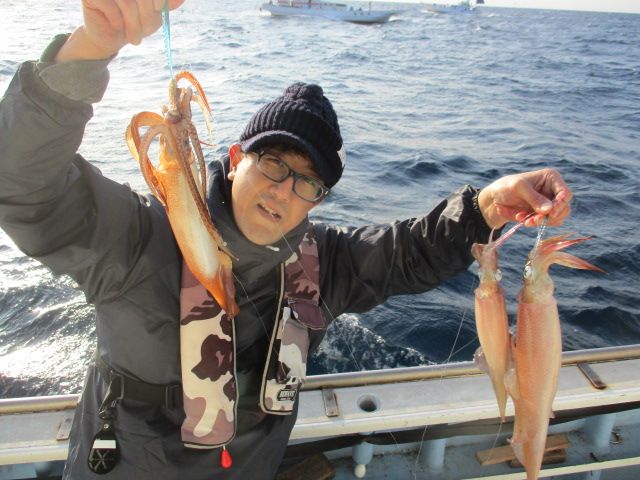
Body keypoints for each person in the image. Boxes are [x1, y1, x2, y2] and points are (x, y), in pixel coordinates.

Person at [0, 1, 572, 479]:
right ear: (235, 159)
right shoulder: (138, 237)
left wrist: (486, 207)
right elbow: (22, 185)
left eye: (308, 182)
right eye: (273, 162)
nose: (283, 190)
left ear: (318, 199)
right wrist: (90, 48)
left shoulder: (323, 265)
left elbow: (410, 252)